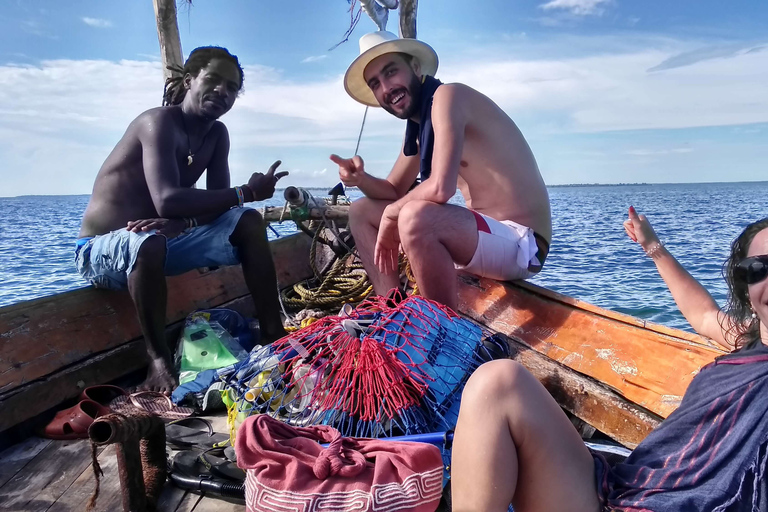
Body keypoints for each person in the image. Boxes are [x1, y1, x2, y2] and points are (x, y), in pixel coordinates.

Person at [450, 216, 768, 511]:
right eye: (759, 269)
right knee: (497, 382)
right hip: (623, 494)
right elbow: (703, 315)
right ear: (748, 290)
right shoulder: (746, 341)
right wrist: (652, 246)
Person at [76, 46, 288, 393]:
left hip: (163, 240)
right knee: (150, 240)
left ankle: (272, 333)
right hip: (101, 250)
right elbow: (167, 199)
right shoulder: (157, 122)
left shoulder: (217, 135)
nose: (223, 91)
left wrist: (187, 223)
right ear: (189, 80)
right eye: (214, 80)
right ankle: (157, 361)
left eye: (232, 88)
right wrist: (246, 192)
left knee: (247, 221)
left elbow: (220, 208)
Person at [330, 31, 551, 311]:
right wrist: (360, 180)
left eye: (391, 72)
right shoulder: (420, 127)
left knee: (414, 216)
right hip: (482, 238)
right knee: (361, 211)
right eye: (376, 83)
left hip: (523, 244)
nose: (386, 87)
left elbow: (440, 188)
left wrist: (392, 214)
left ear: (416, 67)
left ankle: (441, 332)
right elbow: (393, 190)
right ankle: (391, 309)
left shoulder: (448, 97)